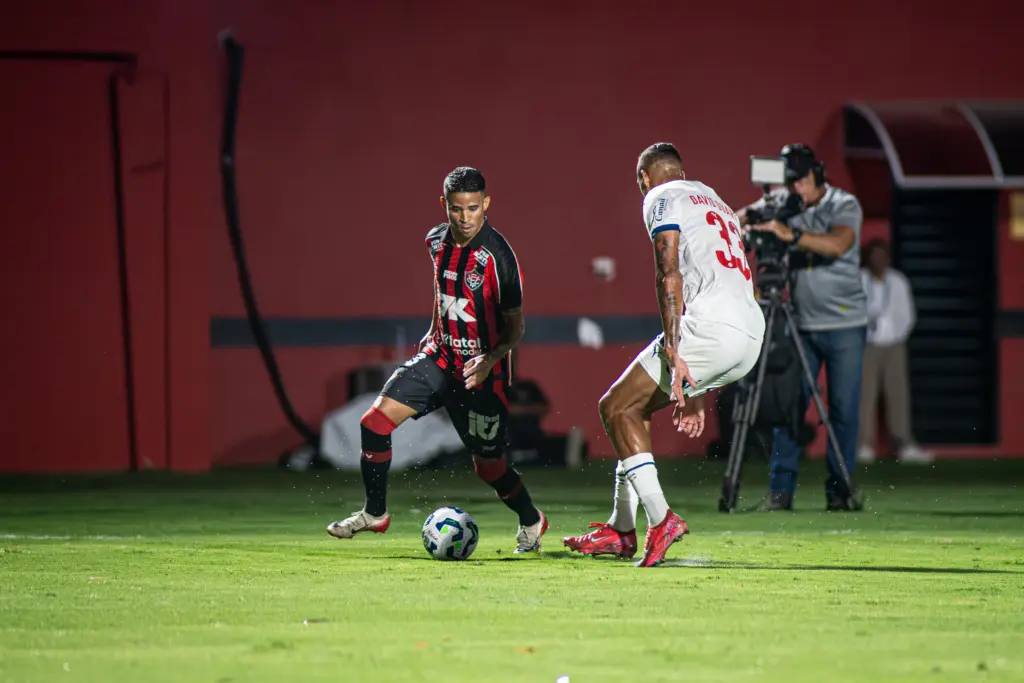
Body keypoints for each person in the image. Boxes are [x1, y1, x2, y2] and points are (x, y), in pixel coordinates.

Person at [563, 143, 765, 567]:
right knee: (633, 409)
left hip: (711, 328)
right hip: (750, 333)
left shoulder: (660, 196)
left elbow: (668, 273)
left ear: (644, 178)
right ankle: (621, 529)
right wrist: (696, 389)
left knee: (616, 407)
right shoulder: (714, 199)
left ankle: (660, 520)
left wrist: (674, 349)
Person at [327, 167, 548, 552]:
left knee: (489, 467)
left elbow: (517, 328)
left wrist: (489, 359)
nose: (465, 218)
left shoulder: (499, 258)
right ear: (445, 205)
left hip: (482, 376)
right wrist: (433, 328)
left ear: (486, 204)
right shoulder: (435, 241)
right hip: (440, 357)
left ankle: (531, 519)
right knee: (374, 423)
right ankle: (374, 513)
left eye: (473, 208)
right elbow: (443, 292)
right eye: (457, 209)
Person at [740, 144, 867, 511]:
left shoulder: (843, 204)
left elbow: (839, 243)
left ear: (818, 174)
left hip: (845, 324)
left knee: (842, 412)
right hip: (800, 323)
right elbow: (740, 217)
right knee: (789, 408)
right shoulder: (785, 202)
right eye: (790, 181)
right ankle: (780, 492)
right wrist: (744, 225)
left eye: (802, 180)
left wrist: (790, 235)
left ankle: (840, 492)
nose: (797, 188)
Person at [858, 239, 933, 464]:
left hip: (894, 345)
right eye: (874, 256)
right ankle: (864, 445)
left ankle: (904, 445)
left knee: (898, 395)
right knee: (865, 395)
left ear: (888, 258)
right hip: (868, 345)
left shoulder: (898, 281)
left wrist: (896, 334)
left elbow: (908, 314)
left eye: (882, 256)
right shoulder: (859, 279)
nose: (878, 260)